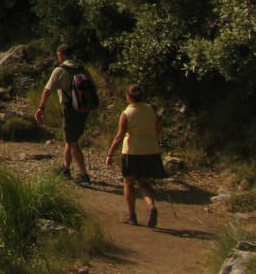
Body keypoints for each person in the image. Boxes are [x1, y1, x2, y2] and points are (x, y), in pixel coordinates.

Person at [105, 83, 165, 227]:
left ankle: (131, 215)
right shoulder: (151, 109)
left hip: (132, 151)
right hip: (150, 150)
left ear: (128, 97)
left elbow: (119, 136)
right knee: (144, 182)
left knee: (129, 183)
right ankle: (151, 205)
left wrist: (110, 154)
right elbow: (158, 129)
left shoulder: (127, 113)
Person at [34, 44, 92, 184]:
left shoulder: (60, 70)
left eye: (58, 55)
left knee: (72, 141)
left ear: (61, 55)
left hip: (69, 109)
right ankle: (66, 169)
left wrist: (41, 108)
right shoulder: (82, 68)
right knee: (70, 138)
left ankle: (83, 174)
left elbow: (47, 90)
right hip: (83, 108)